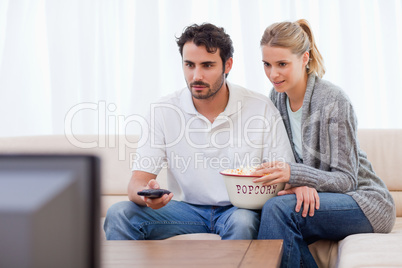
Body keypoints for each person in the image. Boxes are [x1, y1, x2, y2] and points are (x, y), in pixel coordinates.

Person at [103, 23, 295, 240]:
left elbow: (284, 174)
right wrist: (148, 195)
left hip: (238, 210)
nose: (196, 76)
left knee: (243, 222)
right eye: (189, 65)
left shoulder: (260, 107)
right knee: (119, 214)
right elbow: (136, 183)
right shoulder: (164, 111)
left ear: (227, 65)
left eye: (207, 65)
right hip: (184, 210)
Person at [254, 19, 396, 267]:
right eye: (267, 64)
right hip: (324, 199)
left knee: (278, 211)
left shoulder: (333, 99)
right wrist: (298, 184)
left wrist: (296, 174)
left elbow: (347, 179)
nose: (272, 74)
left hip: (364, 202)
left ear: (304, 58)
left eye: (282, 64)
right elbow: (285, 158)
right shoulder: (276, 98)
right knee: (260, 218)